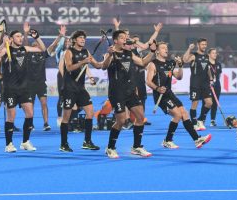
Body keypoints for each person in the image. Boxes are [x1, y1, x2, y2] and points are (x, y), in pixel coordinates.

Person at [146, 42, 212, 149]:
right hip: (160, 96)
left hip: (170, 94)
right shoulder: (152, 64)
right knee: (177, 114)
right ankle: (167, 140)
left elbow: (179, 77)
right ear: (157, 51)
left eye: (167, 48)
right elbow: (148, 81)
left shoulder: (170, 64)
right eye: (163, 48)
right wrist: (158, 88)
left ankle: (197, 139)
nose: (166, 49)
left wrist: (180, 66)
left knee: (184, 114)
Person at [102, 30, 156, 159]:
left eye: (125, 37)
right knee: (121, 121)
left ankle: (137, 147)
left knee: (140, 117)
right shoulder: (109, 54)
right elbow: (104, 67)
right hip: (117, 92)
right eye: (122, 37)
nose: (125, 39)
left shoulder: (129, 53)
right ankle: (110, 148)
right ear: (115, 40)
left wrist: (152, 52)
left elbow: (143, 62)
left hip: (130, 91)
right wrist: (109, 55)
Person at [0, 30, 45, 153]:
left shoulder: (25, 49)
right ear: (11, 38)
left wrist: (37, 37)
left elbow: (42, 49)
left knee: (30, 114)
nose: (20, 38)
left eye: (21, 36)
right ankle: (9, 144)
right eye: (17, 36)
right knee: (11, 117)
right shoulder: (6, 50)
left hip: (25, 88)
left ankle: (25, 142)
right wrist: (3, 44)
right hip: (10, 89)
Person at [59, 30, 102, 152]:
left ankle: (87, 142)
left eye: (84, 38)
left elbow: (98, 65)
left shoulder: (86, 52)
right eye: (80, 38)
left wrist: (108, 57)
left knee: (90, 113)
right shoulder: (69, 52)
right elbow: (69, 68)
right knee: (66, 118)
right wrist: (83, 62)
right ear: (74, 40)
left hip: (81, 89)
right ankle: (63, 144)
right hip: (69, 89)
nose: (83, 40)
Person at [25, 24, 66, 131]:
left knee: (44, 103)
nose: (36, 46)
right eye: (34, 45)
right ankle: (30, 124)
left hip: (41, 83)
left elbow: (52, 46)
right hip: (29, 83)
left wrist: (60, 36)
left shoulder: (43, 54)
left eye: (37, 45)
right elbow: (24, 45)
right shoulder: (27, 54)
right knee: (31, 105)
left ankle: (46, 123)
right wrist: (25, 33)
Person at [182, 38, 213, 131]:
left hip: (205, 84)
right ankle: (194, 123)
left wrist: (211, 78)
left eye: (205, 44)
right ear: (198, 45)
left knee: (209, 103)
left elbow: (207, 68)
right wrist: (189, 49)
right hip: (195, 84)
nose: (204, 46)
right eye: (202, 44)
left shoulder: (207, 56)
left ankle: (200, 120)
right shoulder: (194, 56)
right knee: (195, 103)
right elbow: (185, 60)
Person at [207, 48, 222, 126]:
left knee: (215, 103)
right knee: (207, 103)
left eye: (215, 53)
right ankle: (202, 120)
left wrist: (215, 82)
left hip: (217, 85)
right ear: (209, 54)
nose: (215, 54)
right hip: (208, 86)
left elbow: (218, 75)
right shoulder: (206, 64)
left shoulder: (218, 64)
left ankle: (212, 120)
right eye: (213, 53)